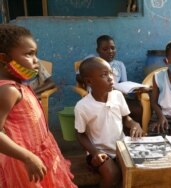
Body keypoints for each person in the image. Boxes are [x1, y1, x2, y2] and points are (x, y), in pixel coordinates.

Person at [0, 24, 76, 188]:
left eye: (36, 54)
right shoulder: (7, 90)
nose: (36, 61)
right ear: (4, 59)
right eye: (29, 54)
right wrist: (28, 157)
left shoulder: (20, 85)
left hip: (41, 155)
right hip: (25, 164)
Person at [74, 57, 143, 188]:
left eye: (111, 73)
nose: (111, 78)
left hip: (121, 148)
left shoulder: (117, 95)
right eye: (104, 75)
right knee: (112, 174)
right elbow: (80, 134)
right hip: (99, 152)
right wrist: (95, 152)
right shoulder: (83, 106)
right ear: (89, 81)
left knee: (137, 171)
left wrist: (134, 124)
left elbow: (125, 118)